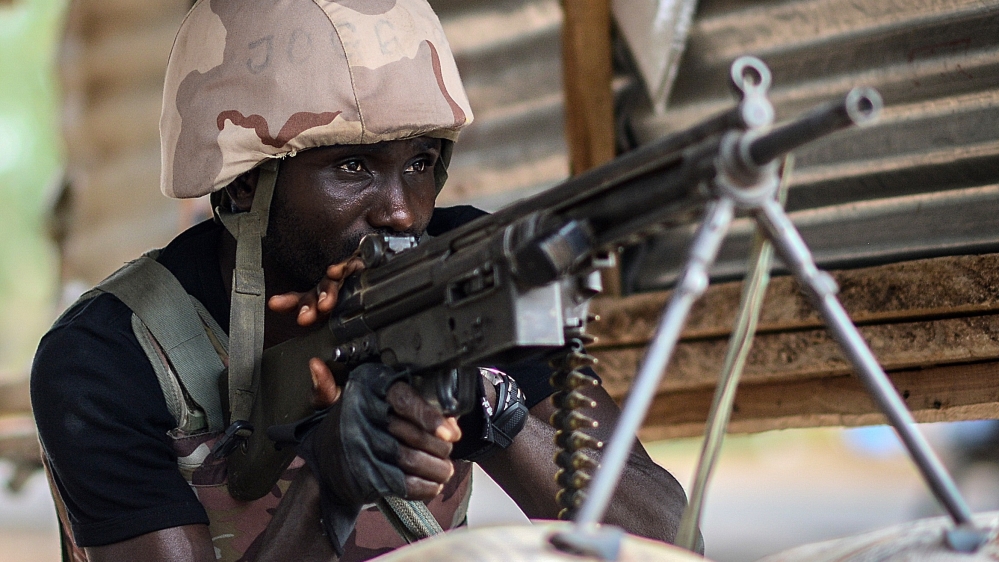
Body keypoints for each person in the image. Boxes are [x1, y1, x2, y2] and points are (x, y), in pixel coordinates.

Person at [31, 0, 690, 560]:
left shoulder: (464, 277)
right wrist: (328, 485)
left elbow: (664, 537)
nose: (402, 210)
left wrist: (494, 415)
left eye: (421, 161)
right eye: (351, 167)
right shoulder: (106, 358)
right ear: (239, 190)